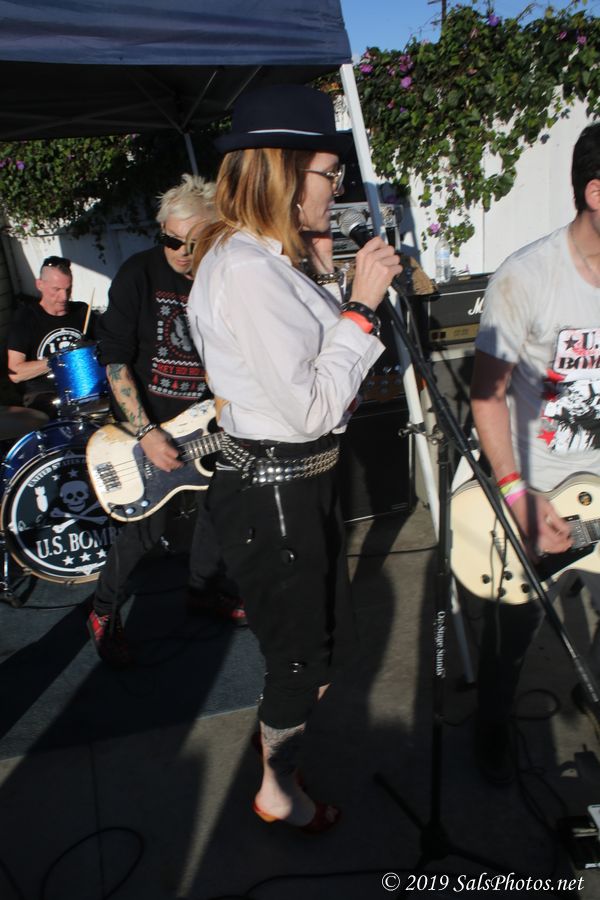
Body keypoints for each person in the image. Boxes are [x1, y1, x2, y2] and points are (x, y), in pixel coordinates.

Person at [188, 84, 402, 831]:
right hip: (275, 493)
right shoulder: (247, 269)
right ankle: (277, 791)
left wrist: (330, 283)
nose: (336, 189)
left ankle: (282, 770)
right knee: (300, 664)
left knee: (315, 656)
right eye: (328, 174)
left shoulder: (267, 261)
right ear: (283, 172)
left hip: (299, 488)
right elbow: (309, 406)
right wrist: (362, 306)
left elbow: (312, 369)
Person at [470, 121, 600, 784]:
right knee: (510, 636)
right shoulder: (526, 277)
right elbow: (486, 396)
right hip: (537, 493)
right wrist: (518, 496)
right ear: (596, 193)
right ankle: (491, 726)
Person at [87, 174, 245, 669]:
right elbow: (114, 358)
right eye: (170, 239)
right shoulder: (139, 273)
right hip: (148, 426)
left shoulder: (222, 279)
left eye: (190, 242)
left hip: (207, 422)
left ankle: (203, 590)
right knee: (145, 529)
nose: (178, 251)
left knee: (218, 508)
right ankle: (103, 610)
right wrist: (146, 432)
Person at [7, 256, 91, 417]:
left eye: (68, 289)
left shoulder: (82, 312)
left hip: (85, 388)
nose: (64, 297)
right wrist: (62, 359)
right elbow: (16, 373)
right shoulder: (25, 318)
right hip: (45, 396)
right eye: (56, 289)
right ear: (40, 285)